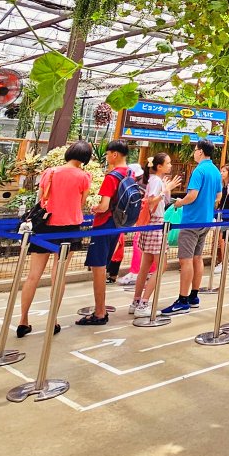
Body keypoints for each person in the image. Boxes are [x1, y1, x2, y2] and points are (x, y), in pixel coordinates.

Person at [16, 141, 94, 337]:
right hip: (69, 228)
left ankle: (23, 320)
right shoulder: (84, 176)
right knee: (58, 276)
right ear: (85, 158)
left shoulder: (50, 172)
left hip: (44, 226)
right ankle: (53, 320)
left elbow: (41, 198)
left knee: (33, 275)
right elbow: (82, 203)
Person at [160, 140, 222, 315]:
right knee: (197, 257)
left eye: (195, 150)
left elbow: (192, 195)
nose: (194, 153)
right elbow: (219, 196)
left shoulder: (199, 171)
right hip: (206, 220)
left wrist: (179, 203)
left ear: (200, 152)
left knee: (185, 260)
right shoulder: (216, 171)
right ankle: (194, 296)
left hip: (191, 220)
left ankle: (183, 299)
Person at [78, 139, 135, 326]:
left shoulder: (112, 176)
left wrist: (95, 208)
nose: (107, 156)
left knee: (99, 269)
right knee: (103, 266)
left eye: (109, 153)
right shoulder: (131, 174)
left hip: (104, 224)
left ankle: (100, 312)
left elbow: (104, 206)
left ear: (115, 154)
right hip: (118, 225)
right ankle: (100, 308)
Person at [132, 154, 180, 317]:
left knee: (146, 265)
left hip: (149, 224)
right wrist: (166, 190)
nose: (170, 165)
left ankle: (137, 301)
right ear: (159, 166)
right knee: (162, 265)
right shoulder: (156, 181)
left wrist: (166, 190)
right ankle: (144, 302)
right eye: (168, 163)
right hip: (155, 225)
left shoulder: (153, 179)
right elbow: (151, 201)